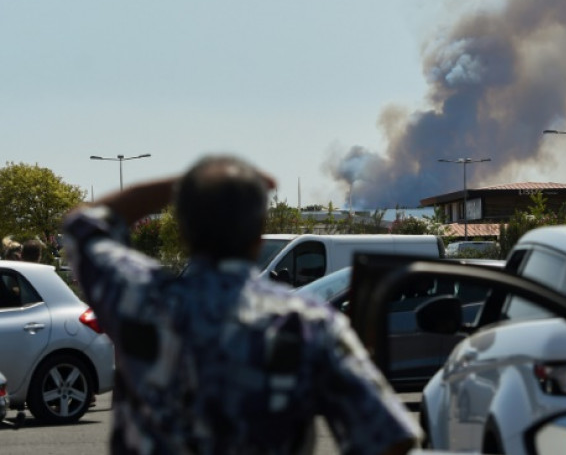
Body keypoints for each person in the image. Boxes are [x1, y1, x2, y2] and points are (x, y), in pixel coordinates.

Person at [62, 155, 420, 455]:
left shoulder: (140, 300)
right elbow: (390, 439)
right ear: (259, 232)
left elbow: (82, 225)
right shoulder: (309, 325)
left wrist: (190, 186)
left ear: (183, 230)